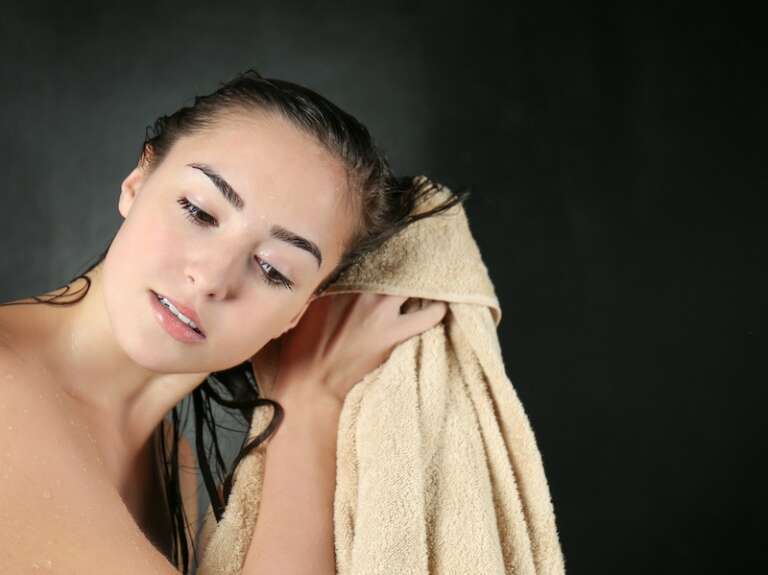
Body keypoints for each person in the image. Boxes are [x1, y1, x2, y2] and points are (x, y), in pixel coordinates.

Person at [0, 69, 469, 574]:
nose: (211, 279)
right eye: (199, 212)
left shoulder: (167, 468)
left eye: (273, 269)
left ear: (298, 314)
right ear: (137, 183)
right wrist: (310, 405)